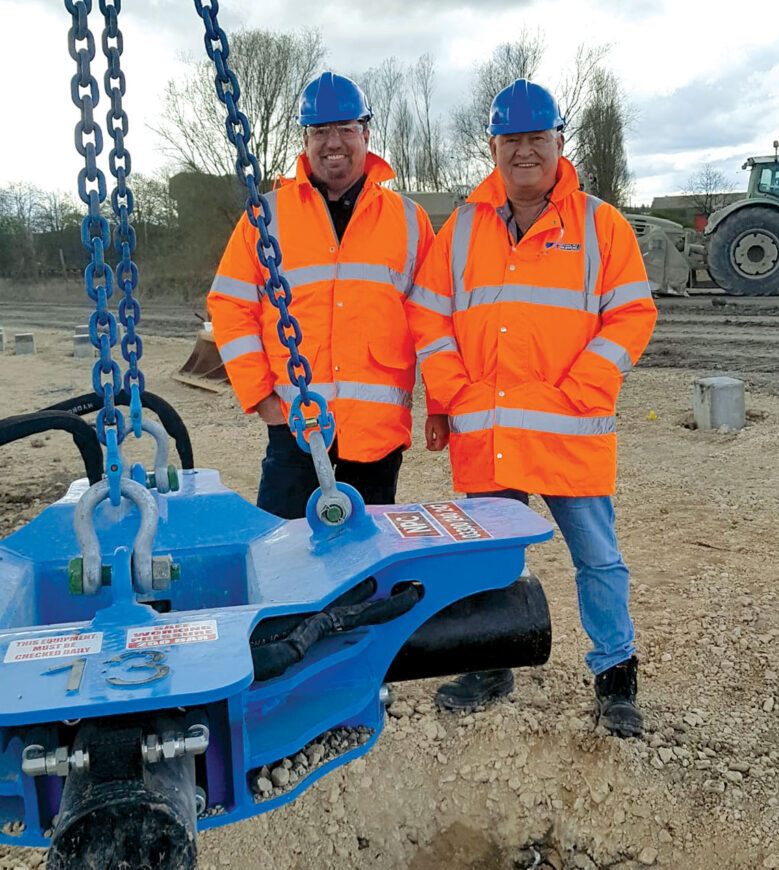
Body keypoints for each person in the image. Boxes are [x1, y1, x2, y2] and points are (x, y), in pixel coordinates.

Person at [406, 79, 657, 737]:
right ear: (493, 146)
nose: (523, 151)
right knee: (488, 560)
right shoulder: (461, 228)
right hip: (487, 434)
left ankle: (616, 678)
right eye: (510, 139)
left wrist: (585, 388)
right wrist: (453, 392)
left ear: (558, 142)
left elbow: (632, 314)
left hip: (568, 432)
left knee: (598, 560)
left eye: (535, 138)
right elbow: (429, 317)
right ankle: (492, 666)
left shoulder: (601, 226)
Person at [208, 72, 441, 519]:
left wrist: (439, 406)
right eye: (320, 131)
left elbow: (432, 321)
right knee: (281, 554)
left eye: (345, 129)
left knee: (368, 569)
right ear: (305, 138)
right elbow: (230, 305)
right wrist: (262, 398)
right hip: (295, 424)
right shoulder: (265, 217)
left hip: (376, 435)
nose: (333, 141)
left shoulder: (409, 222)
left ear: (365, 134)